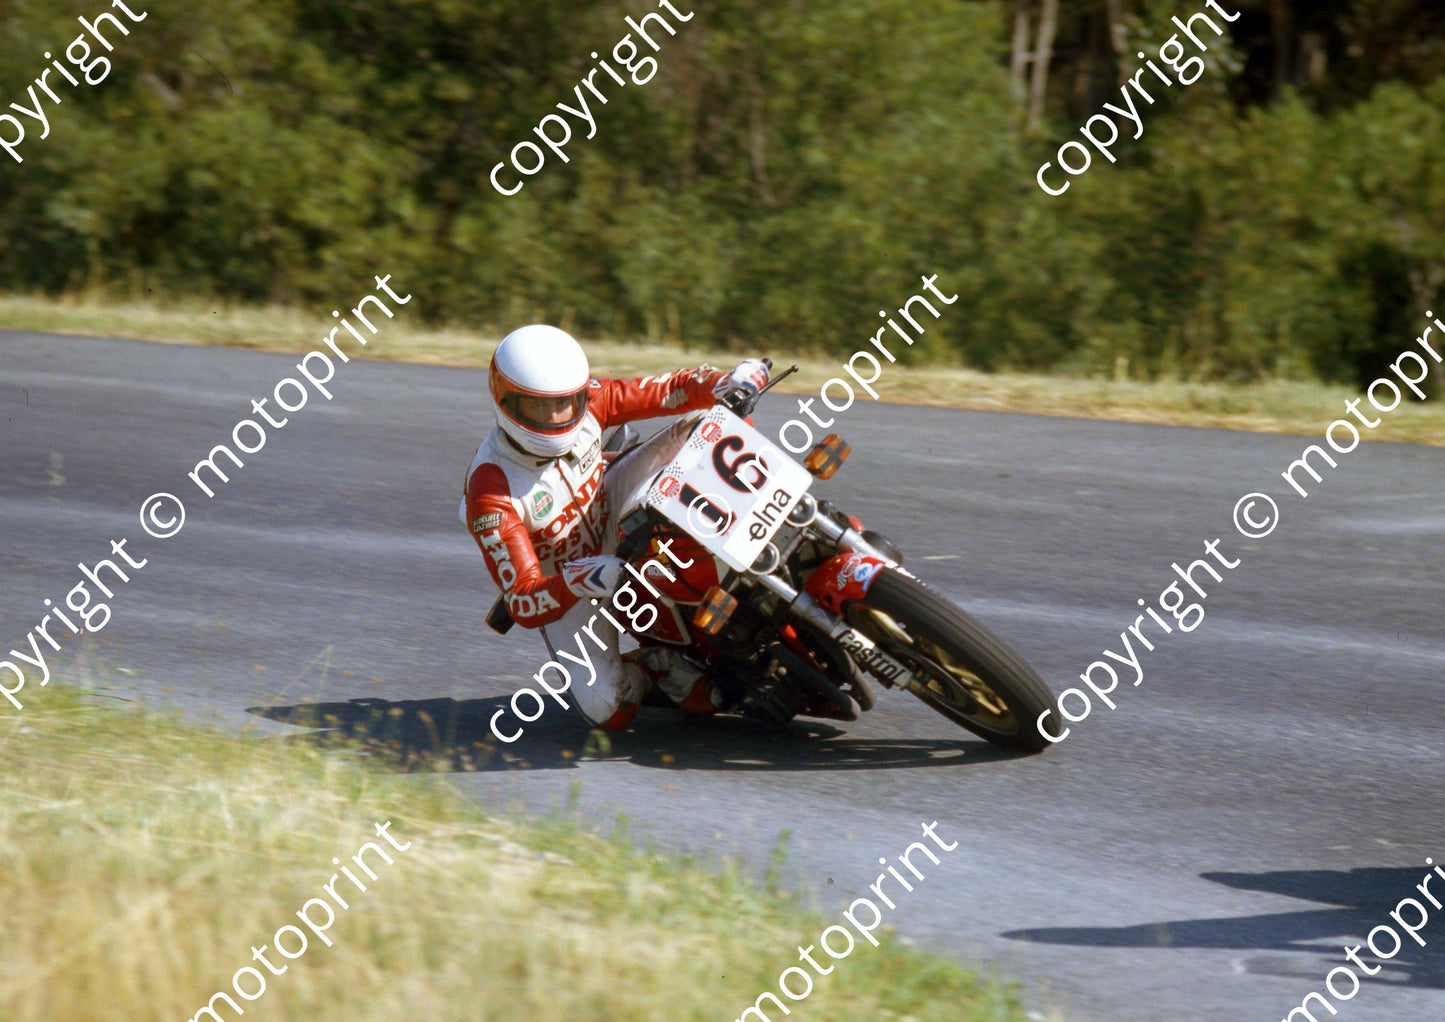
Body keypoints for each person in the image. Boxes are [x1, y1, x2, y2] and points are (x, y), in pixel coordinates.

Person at [461, 324, 769, 732]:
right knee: (610, 711)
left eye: (566, 403)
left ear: (581, 393)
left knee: (707, 420)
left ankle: (769, 517)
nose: (557, 417)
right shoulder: (491, 488)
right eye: (538, 407)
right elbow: (520, 599)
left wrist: (728, 381)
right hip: (569, 580)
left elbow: (670, 389)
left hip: (612, 502)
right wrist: (580, 580)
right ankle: (657, 664)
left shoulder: (591, 401)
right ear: (505, 401)